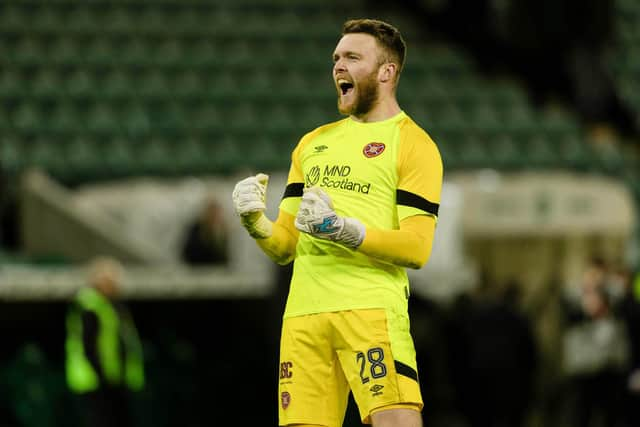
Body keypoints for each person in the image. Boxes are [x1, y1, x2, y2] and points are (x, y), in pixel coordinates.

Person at [232, 19, 443, 427]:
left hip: (370, 311)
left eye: (352, 57)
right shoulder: (312, 144)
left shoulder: (414, 144)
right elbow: (284, 246)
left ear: (387, 72)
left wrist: (345, 231)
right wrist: (255, 222)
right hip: (303, 317)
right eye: (335, 58)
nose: (338, 67)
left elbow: (417, 249)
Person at [65, 256, 145, 427]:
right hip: (93, 379)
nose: (116, 285)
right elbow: (88, 345)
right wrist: (102, 375)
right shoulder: (89, 306)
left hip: (113, 378)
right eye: (111, 280)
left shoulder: (113, 305)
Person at [181, 197, 229, 265]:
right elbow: (190, 253)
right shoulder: (196, 229)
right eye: (212, 212)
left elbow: (223, 258)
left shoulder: (221, 231)